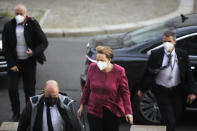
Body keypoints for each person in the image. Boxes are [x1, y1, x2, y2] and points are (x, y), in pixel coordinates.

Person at [138, 30, 197, 131]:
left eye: (169, 41)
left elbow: (188, 74)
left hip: (177, 90)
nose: (166, 44)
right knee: (170, 120)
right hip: (161, 90)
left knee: (172, 116)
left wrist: (192, 91)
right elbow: (147, 72)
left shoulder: (182, 54)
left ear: (175, 42)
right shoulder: (156, 54)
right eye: (164, 42)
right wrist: (141, 89)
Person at [2, 4, 48, 121]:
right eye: (16, 13)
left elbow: (44, 42)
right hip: (14, 64)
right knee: (12, 89)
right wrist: (11, 64)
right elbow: (6, 47)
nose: (18, 16)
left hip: (29, 63)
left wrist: (33, 52)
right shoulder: (9, 26)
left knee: (29, 91)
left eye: (21, 13)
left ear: (26, 13)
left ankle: (28, 113)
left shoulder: (33, 24)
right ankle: (16, 113)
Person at [77, 46, 133, 131]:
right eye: (97, 60)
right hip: (94, 110)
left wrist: (128, 112)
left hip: (111, 111)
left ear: (109, 59)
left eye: (102, 60)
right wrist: (82, 105)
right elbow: (87, 88)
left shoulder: (119, 71)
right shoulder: (92, 67)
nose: (99, 63)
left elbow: (125, 93)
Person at [17, 80, 83, 131]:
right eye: (49, 96)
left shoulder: (67, 105)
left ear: (58, 92)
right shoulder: (33, 104)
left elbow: (77, 125)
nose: (52, 99)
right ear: (43, 91)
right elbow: (22, 124)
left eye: (54, 96)